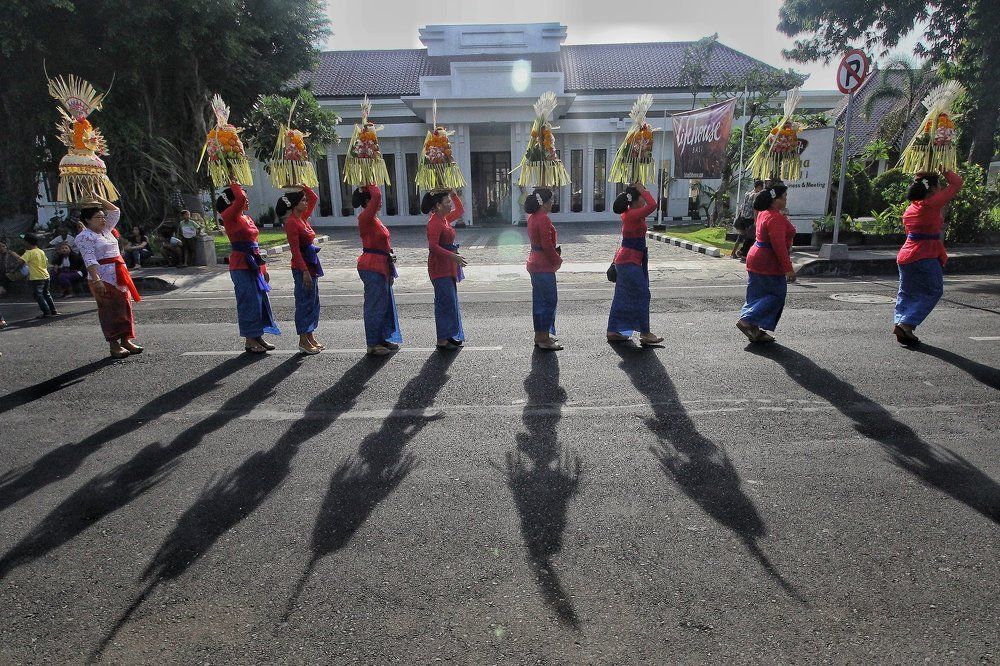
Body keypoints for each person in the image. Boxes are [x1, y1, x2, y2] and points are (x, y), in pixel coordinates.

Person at [892, 167, 963, 346]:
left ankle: (902, 323)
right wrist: (944, 169)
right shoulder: (931, 204)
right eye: (939, 186)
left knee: (906, 291)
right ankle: (906, 323)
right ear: (932, 189)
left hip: (906, 255)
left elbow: (908, 232)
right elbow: (957, 183)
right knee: (934, 290)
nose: (941, 189)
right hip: (925, 254)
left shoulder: (911, 208)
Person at [76, 195, 144, 358]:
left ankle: (126, 340)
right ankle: (114, 345)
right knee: (109, 310)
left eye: (103, 216)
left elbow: (115, 211)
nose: (103, 219)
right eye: (98, 217)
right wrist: (97, 279)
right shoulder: (85, 236)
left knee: (124, 306)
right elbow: (89, 259)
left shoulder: (106, 230)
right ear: (87, 220)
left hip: (119, 274)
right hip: (102, 277)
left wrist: (97, 196)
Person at [218, 182, 280, 353]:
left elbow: (255, 245)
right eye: (244, 197)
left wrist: (263, 268)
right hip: (240, 265)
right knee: (248, 302)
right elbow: (239, 199)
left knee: (260, 301)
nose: (247, 200)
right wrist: (234, 183)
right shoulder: (229, 216)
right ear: (232, 201)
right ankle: (249, 339)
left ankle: (258, 336)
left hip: (254, 263)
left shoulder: (247, 218)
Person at [737, 184, 796, 344]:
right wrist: (788, 269)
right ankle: (747, 320)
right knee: (777, 295)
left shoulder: (764, 213)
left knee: (756, 295)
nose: (786, 200)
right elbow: (779, 246)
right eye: (784, 197)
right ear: (775, 199)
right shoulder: (775, 218)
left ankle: (754, 329)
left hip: (756, 257)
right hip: (767, 261)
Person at [607, 182, 664, 346]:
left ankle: (613, 330)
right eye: (642, 197)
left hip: (627, 260)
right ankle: (645, 332)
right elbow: (653, 205)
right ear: (637, 199)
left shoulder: (629, 213)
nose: (644, 200)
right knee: (643, 294)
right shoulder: (633, 214)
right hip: (630, 261)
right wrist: (643, 190)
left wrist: (640, 191)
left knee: (622, 296)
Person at [355, 184, 402, 356]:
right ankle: (372, 343)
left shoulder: (374, 219)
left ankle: (381, 338)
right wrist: (371, 182)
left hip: (381, 265)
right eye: (375, 200)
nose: (380, 202)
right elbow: (377, 196)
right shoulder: (365, 217)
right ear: (367, 201)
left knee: (383, 305)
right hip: (371, 266)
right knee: (374, 305)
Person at [277, 186, 324, 354]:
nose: (306, 202)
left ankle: (310, 335)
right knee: (304, 302)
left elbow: (314, 198)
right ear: (295, 204)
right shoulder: (291, 222)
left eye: (304, 200)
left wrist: (302, 185)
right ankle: (303, 340)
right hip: (301, 267)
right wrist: (304, 271)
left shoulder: (302, 218)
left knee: (313, 302)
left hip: (311, 264)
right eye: (302, 200)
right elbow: (295, 250)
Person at [424, 189, 467, 350]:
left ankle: (449, 335)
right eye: (447, 202)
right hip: (439, 267)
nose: (450, 205)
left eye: (450, 202)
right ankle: (442, 339)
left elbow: (460, 210)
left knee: (450, 301)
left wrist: (453, 193)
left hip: (448, 265)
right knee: (444, 302)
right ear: (438, 205)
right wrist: (453, 256)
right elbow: (433, 247)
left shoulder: (444, 219)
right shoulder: (434, 222)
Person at [525, 188, 563, 351]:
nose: (552, 203)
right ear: (545, 203)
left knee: (540, 301)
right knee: (548, 301)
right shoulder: (543, 219)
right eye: (551, 200)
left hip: (535, 262)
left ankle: (541, 335)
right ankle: (543, 338)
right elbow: (547, 245)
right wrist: (557, 260)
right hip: (543, 264)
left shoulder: (533, 217)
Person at [21, 234, 59, 318]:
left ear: (28, 242)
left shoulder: (29, 252)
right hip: (46, 275)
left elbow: (21, 261)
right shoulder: (41, 251)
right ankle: (53, 310)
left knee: (38, 295)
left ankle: (46, 312)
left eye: (24, 242)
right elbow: (46, 262)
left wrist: (13, 254)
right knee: (46, 293)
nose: (24, 243)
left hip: (36, 277)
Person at [731, 180, 764, 260]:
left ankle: (734, 252)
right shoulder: (756, 195)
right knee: (751, 237)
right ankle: (745, 253)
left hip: (743, 217)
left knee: (741, 235)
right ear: (759, 187)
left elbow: (742, 206)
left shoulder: (747, 194)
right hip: (750, 218)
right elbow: (755, 209)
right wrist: (756, 221)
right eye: (762, 187)